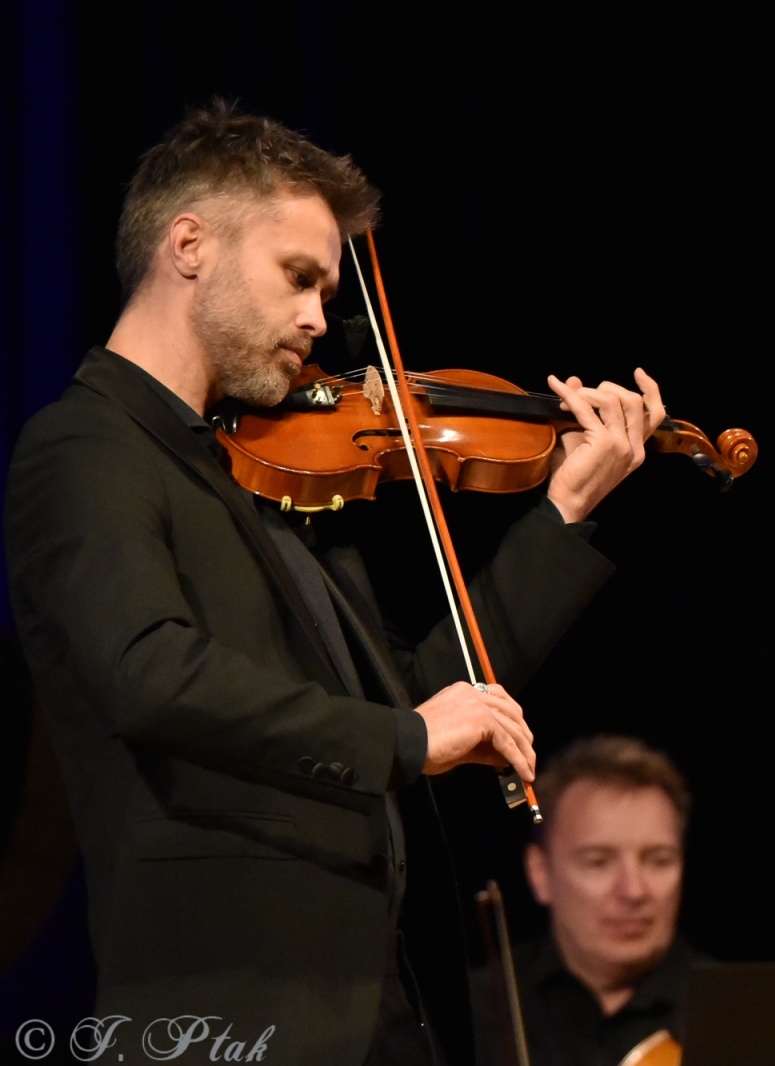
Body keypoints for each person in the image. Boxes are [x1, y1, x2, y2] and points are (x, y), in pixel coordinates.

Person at [5, 102, 668, 1064]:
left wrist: (561, 515)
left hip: (376, 1013)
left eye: (326, 285)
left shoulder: (254, 475)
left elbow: (418, 700)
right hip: (231, 1014)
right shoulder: (85, 446)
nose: (321, 317)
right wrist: (408, 737)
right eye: (299, 277)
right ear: (189, 245)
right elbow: (148, 672)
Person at [472, 735, 697, 1066]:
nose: (634, 891)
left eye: (659, 860)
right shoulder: (472, 1013)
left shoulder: (744, 1012)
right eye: (598, 862)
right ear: (540, 872)